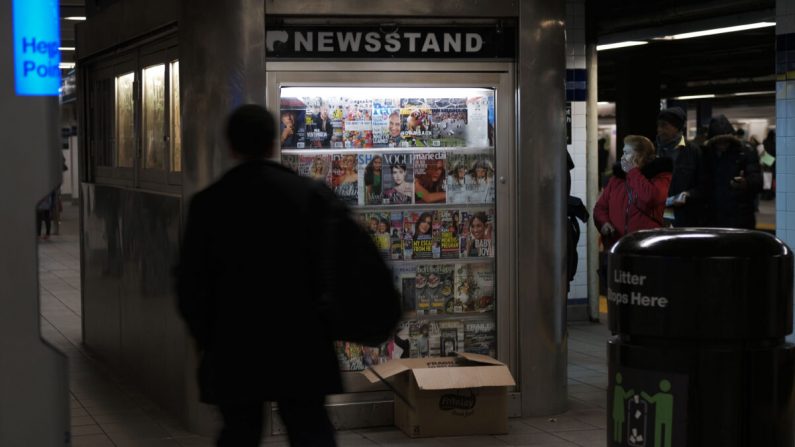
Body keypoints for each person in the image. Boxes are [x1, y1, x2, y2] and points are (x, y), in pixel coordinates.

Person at [177, 105, 349, 447]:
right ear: (274, 143)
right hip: (302, 341)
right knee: (310, 429)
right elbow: (334, 271)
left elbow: (191, 284)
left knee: (239, 432)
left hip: (234, 343)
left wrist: (207, 338)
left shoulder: (208, 204)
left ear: (231, 146)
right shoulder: (310, 196)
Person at [593, 135, 672, 249]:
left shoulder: (661, 177)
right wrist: (604, 223)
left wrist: (633, 172)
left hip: (646, 246)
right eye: (623, 152)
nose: (623, 157)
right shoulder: (617, 179)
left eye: (627, 153)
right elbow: (600, 208)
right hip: (618, 246)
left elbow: (650, 197)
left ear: (641, 156)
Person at [700, 115, 762, 229]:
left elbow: (757, 181)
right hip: (714, 215)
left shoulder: (745, 152)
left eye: (726, 142)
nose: (722, 145)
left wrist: (746, 182)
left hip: (740, 215)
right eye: (719, 142)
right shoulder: (707, 155)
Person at [655, 107, 704, 227]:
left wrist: (688, 194)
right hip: (656, 215)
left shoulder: (693, 151)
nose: (659, 130)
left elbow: (704, 184)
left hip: (685, 217)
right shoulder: (652, 150)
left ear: (677, 127)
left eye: (664, 126)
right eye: (659, 126)